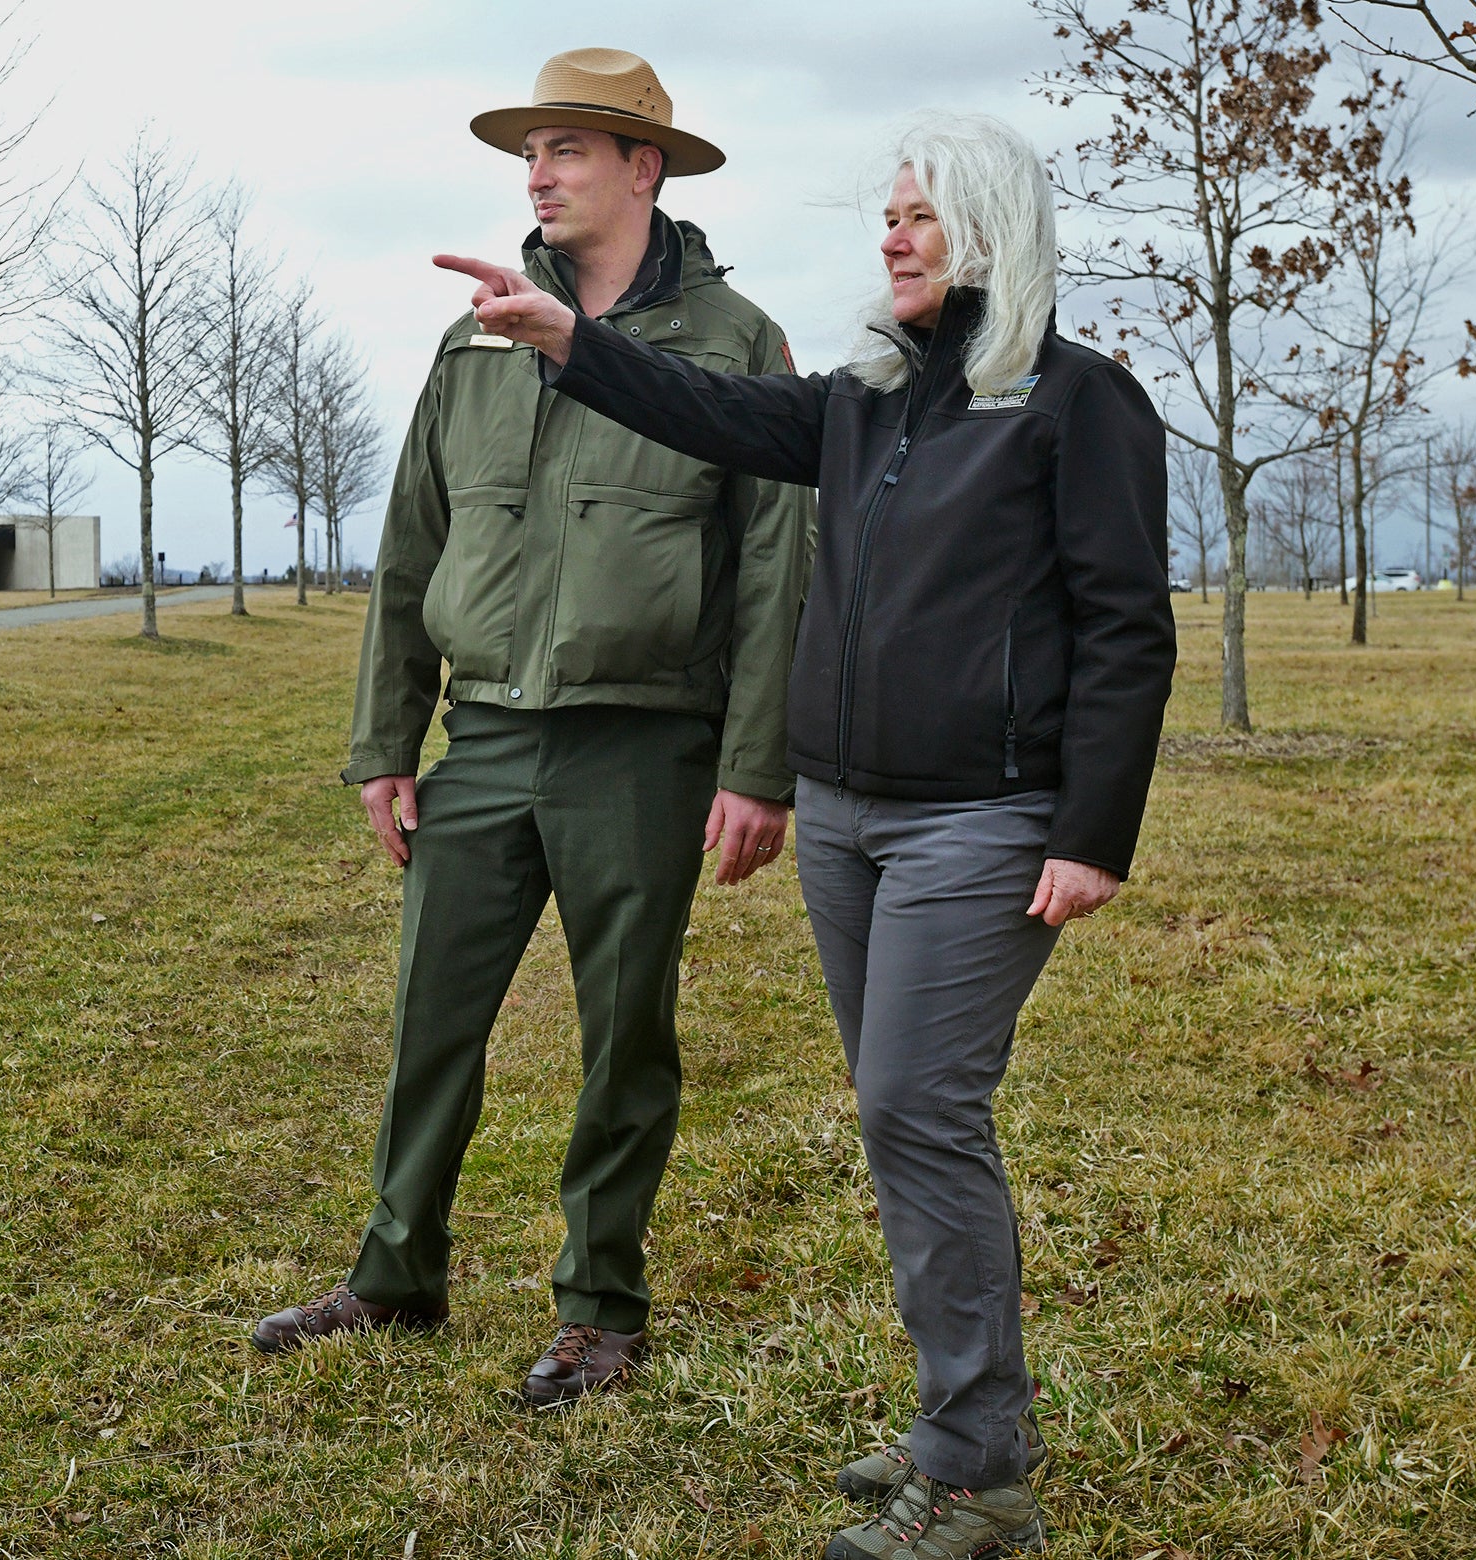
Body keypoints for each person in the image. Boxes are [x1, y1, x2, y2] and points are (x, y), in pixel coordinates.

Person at [440, 111, 1177, 1556]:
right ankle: (958, 1428)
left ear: (989, 233)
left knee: (919, 1110)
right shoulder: (866, 400)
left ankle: (978, 1482)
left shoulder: (1079, 404)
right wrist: (566, 342)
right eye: (888, 215)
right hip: (845, 817)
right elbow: (714, 414)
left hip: (981, 818)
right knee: (903, 1121)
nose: (892, 234)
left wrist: (1094, 831)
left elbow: (1126, 629)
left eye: (920, 215)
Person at [249, 48, 815, 1411]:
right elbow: (409, 551)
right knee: (431, 1018)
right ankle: (395, 1274)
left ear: (645, 167)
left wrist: (754, 769)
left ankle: (601, 1308)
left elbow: (774, 573)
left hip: (644, 745)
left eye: (569, 147)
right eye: (529, 152)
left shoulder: (738, 347)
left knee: (625, 1035)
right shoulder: (474, 341)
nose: (539, 173)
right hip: (486, 740)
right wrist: (389, 742)